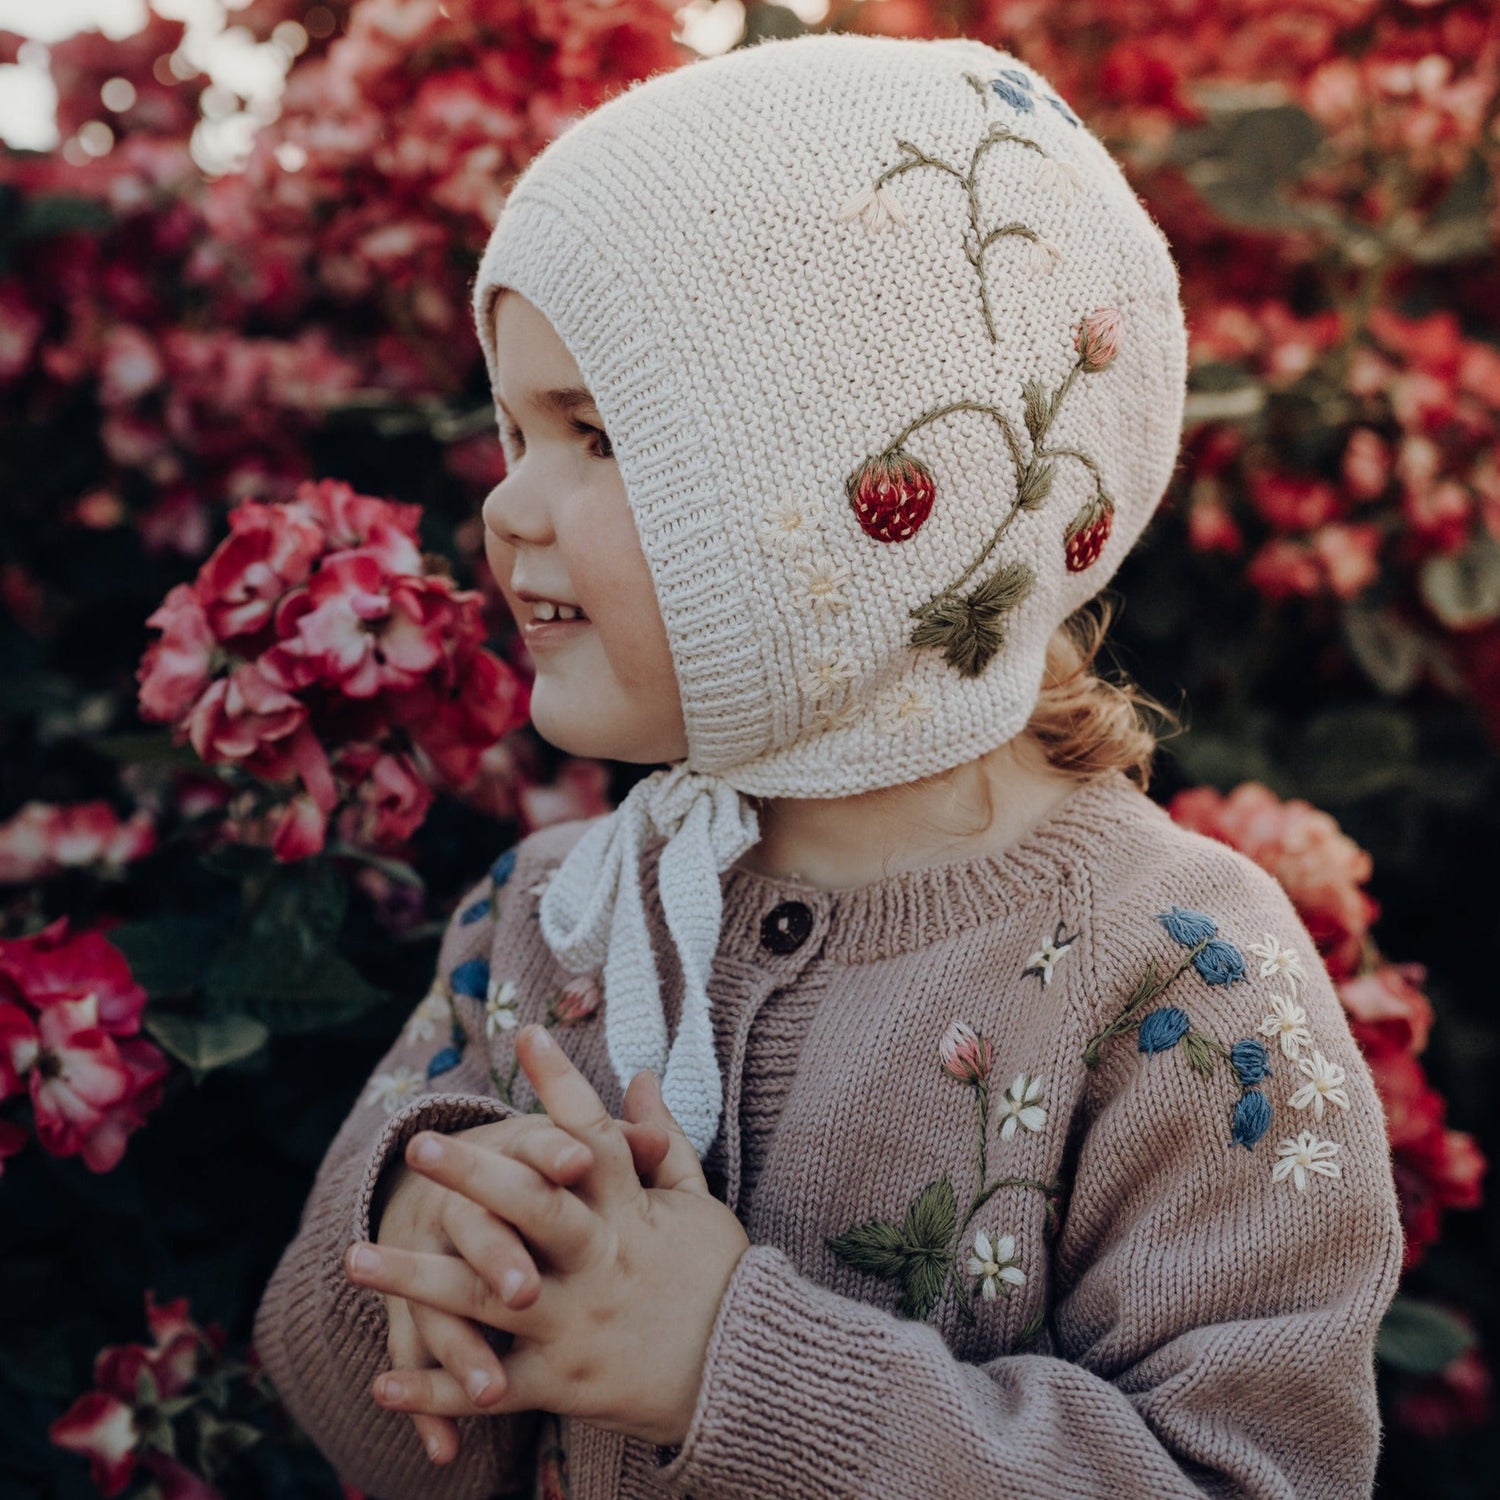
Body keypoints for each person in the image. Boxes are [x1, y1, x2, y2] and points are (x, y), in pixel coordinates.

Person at [252, 31, 1405, 1500]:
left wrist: (724, 1363)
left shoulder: (1178, 983)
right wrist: (422, 1225)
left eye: (599, 438)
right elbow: (347, 1417)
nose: (508, 507)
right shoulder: (549, 916)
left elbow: (1255, 1473)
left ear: (865, 508)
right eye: (515, 427)